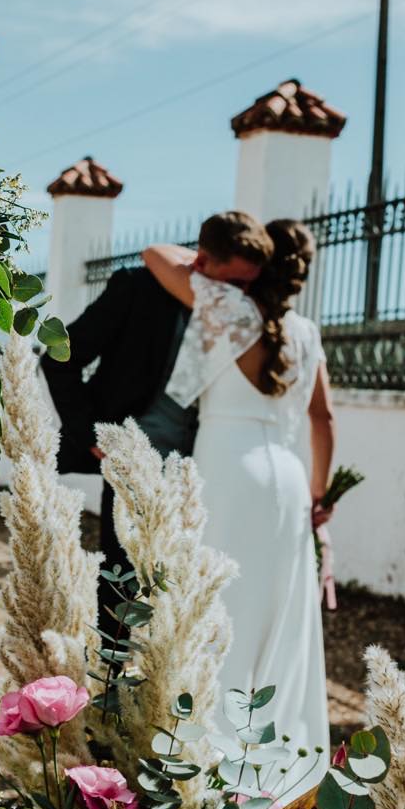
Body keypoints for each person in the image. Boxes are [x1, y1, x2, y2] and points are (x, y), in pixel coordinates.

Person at [142, 212, 337, 762]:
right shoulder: (306, 332)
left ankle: (209, 749)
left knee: (220, 604)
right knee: (280, 614)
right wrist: (320, 496)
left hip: (228, 464)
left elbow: (156, 253)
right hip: (289, 475)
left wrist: (206, 261)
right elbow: (324, 420)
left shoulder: (226, 306)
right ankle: (277, 757)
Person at [41, 217, 276, 624]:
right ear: (201, 262)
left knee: (192, 598)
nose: (242, 298)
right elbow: (61, 358)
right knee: (122, 591)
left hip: (212, 468)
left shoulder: (252, 311)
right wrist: (93, 434)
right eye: (234, 285)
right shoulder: (136, 288)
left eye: (249, 286)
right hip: (137, 462)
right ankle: (112, 684)